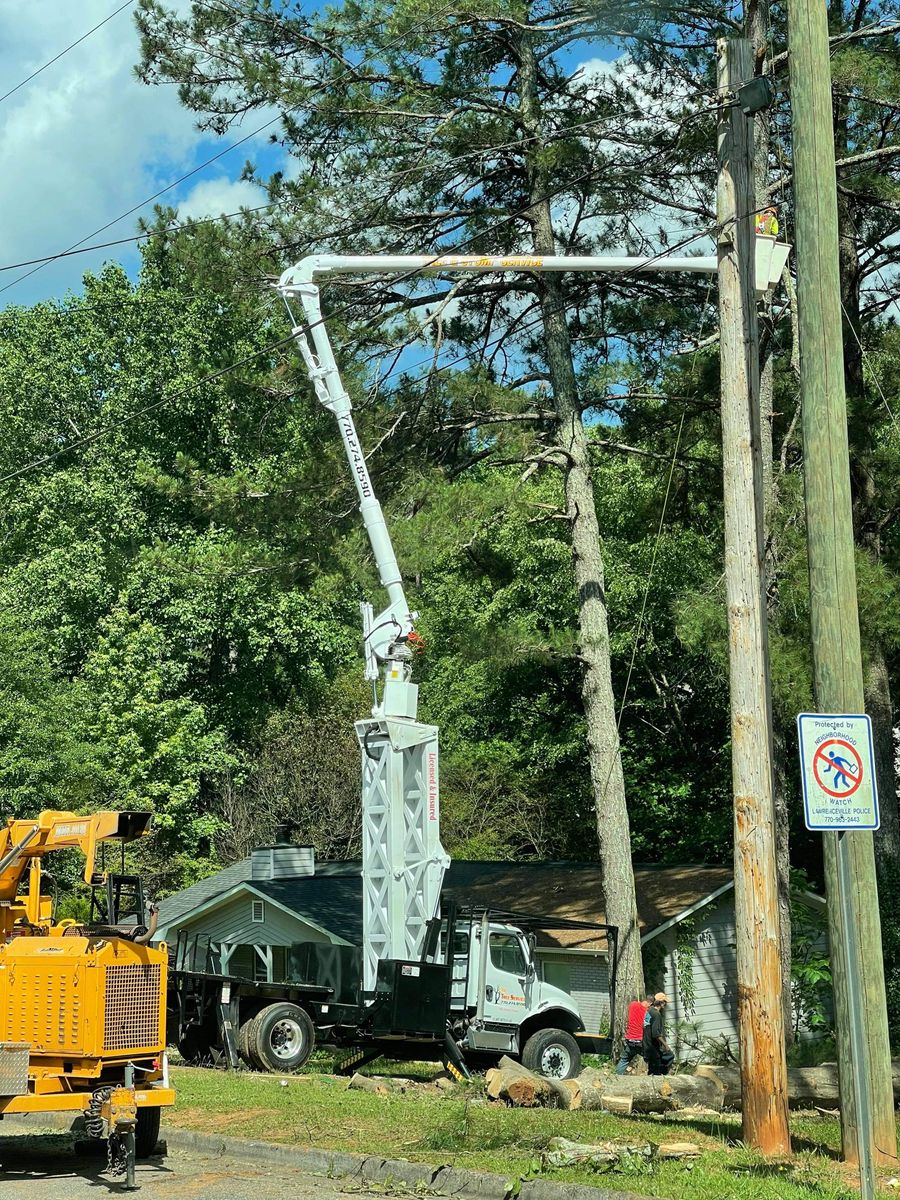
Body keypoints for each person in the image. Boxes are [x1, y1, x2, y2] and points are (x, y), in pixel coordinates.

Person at [616, 994, 653, 1074]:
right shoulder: (648, 1012)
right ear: (650, 1003)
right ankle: (655, 1076)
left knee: (624, 1060)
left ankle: (617, 1077)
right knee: (652, 1058)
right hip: (640, 1042)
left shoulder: (633, 1004)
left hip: (630, 1040)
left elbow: (636, 1007)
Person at [643, 993, 676, 1076]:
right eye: (665, 1002)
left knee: (652, 1068)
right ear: (661, 1003)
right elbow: (656, 1033)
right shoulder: (656, 1014)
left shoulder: (649, 1010)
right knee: (670, 1056)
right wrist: (666, 1045)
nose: (666, 1003)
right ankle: (663, 1075)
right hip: (652, 1046)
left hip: (646, 1043)